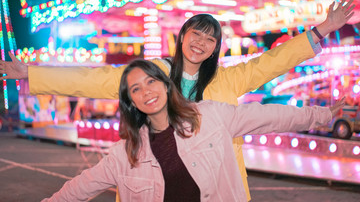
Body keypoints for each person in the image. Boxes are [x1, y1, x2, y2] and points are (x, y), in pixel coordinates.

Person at [0, 0, 355, 201]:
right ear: (182, 35)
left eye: (210, 39)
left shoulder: (228, 80)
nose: (201, 42)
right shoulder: (154, 73)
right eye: (195, 33)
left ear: (216, 47)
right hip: (154, 176)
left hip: (217, 186)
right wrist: (31, 74)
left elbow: (272, 64)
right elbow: (98, 78)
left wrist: (322, 29)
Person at [42, 59, 344, 202]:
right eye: (136, 88)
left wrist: (319, 115)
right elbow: (81, 187)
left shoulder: (210, 116)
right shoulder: (126, 154)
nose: (146, 91)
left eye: (151, 81)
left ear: (165, 84)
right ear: (131, 100)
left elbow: (269, 116)